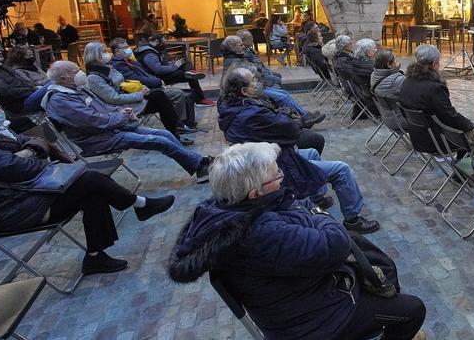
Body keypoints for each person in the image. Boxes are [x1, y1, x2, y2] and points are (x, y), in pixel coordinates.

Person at [168, 142, 425, 340]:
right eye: (276, 175)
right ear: (255, 192)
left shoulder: (224, 212)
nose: (282, 176)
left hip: (286, 301)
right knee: (413, 310)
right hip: (309, 323)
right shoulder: (259, 232)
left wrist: (305, 212)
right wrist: (316, 213)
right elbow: (336, 242)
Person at [0, 92, 176, 275]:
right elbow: (19, 168)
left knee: (93, 193)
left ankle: (96, 256)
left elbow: (34, 142)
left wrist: (29, 150)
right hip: (9, 210)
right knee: (89, 179)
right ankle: (140, 205)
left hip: (28, 193)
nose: (0, 111)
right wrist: (33, 150)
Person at [218, 65, 379, 233]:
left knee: (313, 152)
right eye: (253, 81)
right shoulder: (251, 114)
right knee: (342, 170)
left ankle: (317, 197)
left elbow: (282, 120)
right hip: (275, 165)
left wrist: (284, 115)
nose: (257, 83)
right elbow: (292, 131)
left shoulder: (229, 106)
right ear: (244, 90)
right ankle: (353, 220)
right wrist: (286, 115)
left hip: (267, 156)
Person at [43, 61, 211, 183]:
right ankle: (200, 166)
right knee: (159, 141)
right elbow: (94, 121)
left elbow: (104, 107)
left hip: (114, 128)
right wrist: (122, 116)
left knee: (164, 133)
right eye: (75, 71)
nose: (80, 72)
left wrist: (121, 112)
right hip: (97, 139)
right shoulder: (59, 100)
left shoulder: (77, 89)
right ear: (64, 78)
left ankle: (198, 163)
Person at [82, 41, 193, 145]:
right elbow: (114, 98)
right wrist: (140, 94)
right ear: (95, 55)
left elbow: (125, 82)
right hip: (121, 106)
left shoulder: (107, 67)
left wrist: (141, 88)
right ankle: (175, 131)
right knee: (160, 98)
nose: (107, 54)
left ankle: (175, 131)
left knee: (160, 96)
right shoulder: (94, 77)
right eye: (103, 52)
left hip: (130, 95)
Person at [221, 35, 324, 126]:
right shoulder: (234, 62)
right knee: (283, 97)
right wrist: (262, 82)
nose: (243, 46)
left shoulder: (237, 57)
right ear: (233, 47)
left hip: (255, 85)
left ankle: (304, 116)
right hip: (252, 90)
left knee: (284, 93)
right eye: (240, 45)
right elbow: (247, 82)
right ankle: (303, 117)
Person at [399, 44, 474, 153]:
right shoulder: (434, 88)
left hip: (417, 136)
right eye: (438, 62)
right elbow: (450, 116)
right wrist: (469, 125)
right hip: (436, 141)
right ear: (433, 64)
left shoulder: (406, 81)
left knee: (464, 127)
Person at [108, 37, 198, 132]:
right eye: (125, 47)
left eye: (128, 46)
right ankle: (177, 126)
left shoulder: (128, 60)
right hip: (142, 92)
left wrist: (159, 80)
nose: (128, 49)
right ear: (117, 51)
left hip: (150, 86)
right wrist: (159, 81)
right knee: (177, 93)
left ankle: (181, 123)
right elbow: (139, 79)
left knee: (184, 84)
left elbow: (146, 74)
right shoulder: (118, 64)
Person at [134, 33, 215, 106]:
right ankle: (200, 99)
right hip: (158, 78)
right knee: (189, 77)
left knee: (184, 62)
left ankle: (190, 72)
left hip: (160, 74)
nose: (164, 45)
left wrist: (173, 64)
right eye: (163, 42)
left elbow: (162, 63)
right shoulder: (149, 54)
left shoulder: (151, 50)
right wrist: (174, 66)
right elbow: (158, 69)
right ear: (156, 41)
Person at [370, 48, 407, 132]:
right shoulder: (396, 80)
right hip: (401, 121)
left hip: (387, 117)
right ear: (389, 64)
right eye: (395, 60)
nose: (397, 62)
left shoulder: (374, 74)